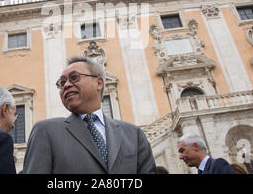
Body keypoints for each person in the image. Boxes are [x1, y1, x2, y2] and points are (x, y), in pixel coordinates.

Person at [23, 57, 157, 174]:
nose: (67, 85)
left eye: (74, 77)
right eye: (62, 82)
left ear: (99, 83)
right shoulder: (46, 131)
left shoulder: (134, 134)